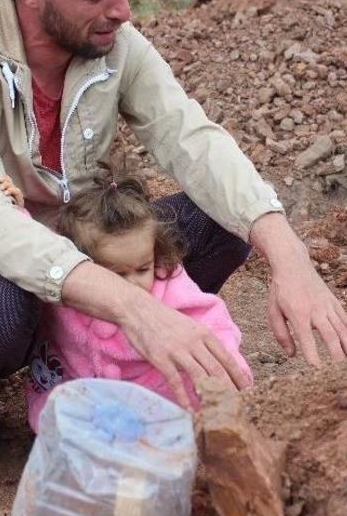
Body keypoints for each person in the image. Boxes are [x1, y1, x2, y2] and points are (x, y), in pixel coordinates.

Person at [0, 0, 347, 516]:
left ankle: (121, 360)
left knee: (225, 219)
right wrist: (137, 309)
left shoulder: (115, 44)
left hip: (91, 249)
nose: (122, 9)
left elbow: (192, 139)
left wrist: (288, 255)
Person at [13, 171, 254, 431]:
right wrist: (15, 209)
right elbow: (31, 246)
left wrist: (230, 369)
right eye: (116, 274)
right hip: (82, 392)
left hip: (156, 397)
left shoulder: (167, 282)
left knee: (192, 397)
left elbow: (211, 323)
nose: (133, 284)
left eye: (142, 269)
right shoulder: (68, 290)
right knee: (65, 421)